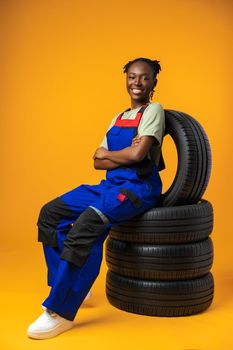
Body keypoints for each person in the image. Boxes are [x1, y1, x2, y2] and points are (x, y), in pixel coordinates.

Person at [27, 57, 166, 339]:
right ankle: (69, 286)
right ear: (125, 79)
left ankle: (61, 312)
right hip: (109, 185)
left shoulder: (154, 111)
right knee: (50, 214)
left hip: (137, 189)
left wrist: (114, 155)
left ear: (154, 82)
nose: (137, 83)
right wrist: (122, 154)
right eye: (132, 76)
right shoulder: (118, 118)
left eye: (144, 77)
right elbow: (97, 162)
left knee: (88, 224)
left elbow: (137, 156)